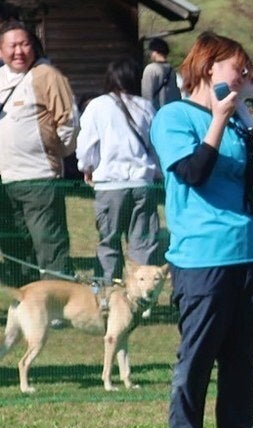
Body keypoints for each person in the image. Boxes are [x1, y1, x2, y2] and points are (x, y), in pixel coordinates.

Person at [149, 30, 253, 428]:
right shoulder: (174, 116)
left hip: (247, 253)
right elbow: (193, 172)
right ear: (209, 65)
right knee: (198, 354)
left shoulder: (236, 119)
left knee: (241, 357)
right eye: (239, 67)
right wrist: (217, 119)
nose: (247, 76)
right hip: (201, 257)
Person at [0, 19, 77, 280]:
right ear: (1, 50)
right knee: (15, 247)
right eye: (12, 46)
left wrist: (54, 153)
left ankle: (56, 299)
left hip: (40, 178)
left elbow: (69, 122)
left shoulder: (47, 75)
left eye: (24, 44)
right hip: (5, 180)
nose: (18, 51)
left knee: (49, 245)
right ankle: (26, 299)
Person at [75, 58, 162, 286]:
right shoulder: (147, 107)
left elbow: (86, 145)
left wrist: (87, 167)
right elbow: (156, 147)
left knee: (109, 242)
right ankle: (140, 295)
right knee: (143, 244)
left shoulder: (97, 106)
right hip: (142, 183)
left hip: (110, 183)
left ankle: (107, 294)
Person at [141, 37, 180, 108]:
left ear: (155, 52)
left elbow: (146, 95)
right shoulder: (172, 70)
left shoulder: (150, 69)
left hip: (156, 111)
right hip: (170, 110)